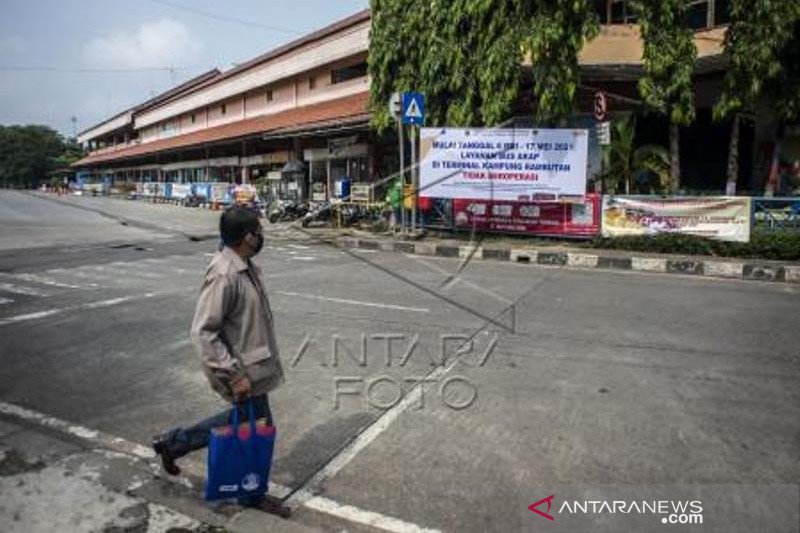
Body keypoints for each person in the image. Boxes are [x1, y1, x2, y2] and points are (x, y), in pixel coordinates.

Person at [152, 206, 288, 516]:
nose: (262, 236)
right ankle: (251, 495)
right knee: (256, 426)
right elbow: (204, 332)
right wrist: (234, 374)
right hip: (243, 370)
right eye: (258, 231)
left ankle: (173, 444)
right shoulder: (224, 273)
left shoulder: (243, 264)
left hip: (253, 365)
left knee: (246, 422)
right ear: (245, 237)